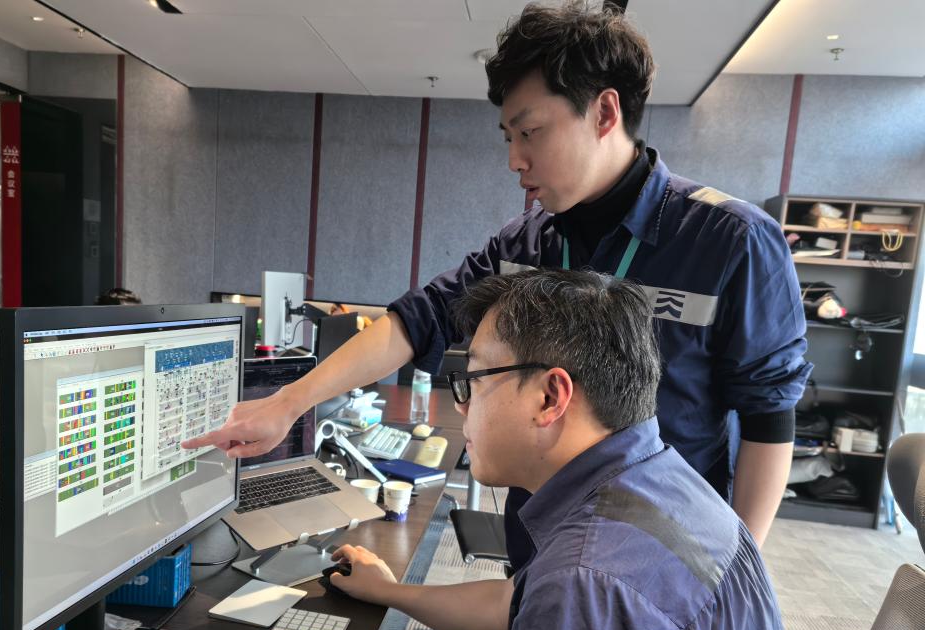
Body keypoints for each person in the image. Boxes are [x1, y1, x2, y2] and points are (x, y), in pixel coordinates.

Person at [183, 3, 810, 554]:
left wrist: (736, 571)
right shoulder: (527, 243)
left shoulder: (731, 240)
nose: (514, 159)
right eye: (508, 136)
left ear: (604, 112)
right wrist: (287, 404)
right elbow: (418, 320)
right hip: (543, 543)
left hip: (663, 558)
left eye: (530, 132)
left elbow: (768, 417)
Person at [207, 270, 790, 630]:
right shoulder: (655, 483)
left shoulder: (591, 579)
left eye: (473, 381)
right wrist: (390, 592)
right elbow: (516, 602)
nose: (461, 407)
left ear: (550, 397)